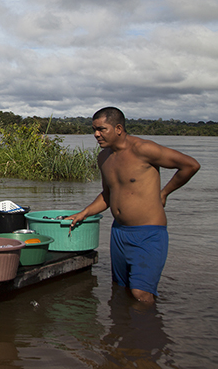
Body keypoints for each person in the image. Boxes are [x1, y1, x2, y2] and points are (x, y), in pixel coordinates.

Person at [67, 107, 200, 303]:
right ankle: (124, 331)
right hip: (119, 232)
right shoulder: (103, 157)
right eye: (94, 129)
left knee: (141, 294)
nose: (96, 134)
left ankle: (150, 331)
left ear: (118, 128)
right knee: (120, 289)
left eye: (102, 129)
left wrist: (164, 193)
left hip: (148, 233)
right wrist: (84, 213)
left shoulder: (143, 149)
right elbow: (107, 194)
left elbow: (190, 165)